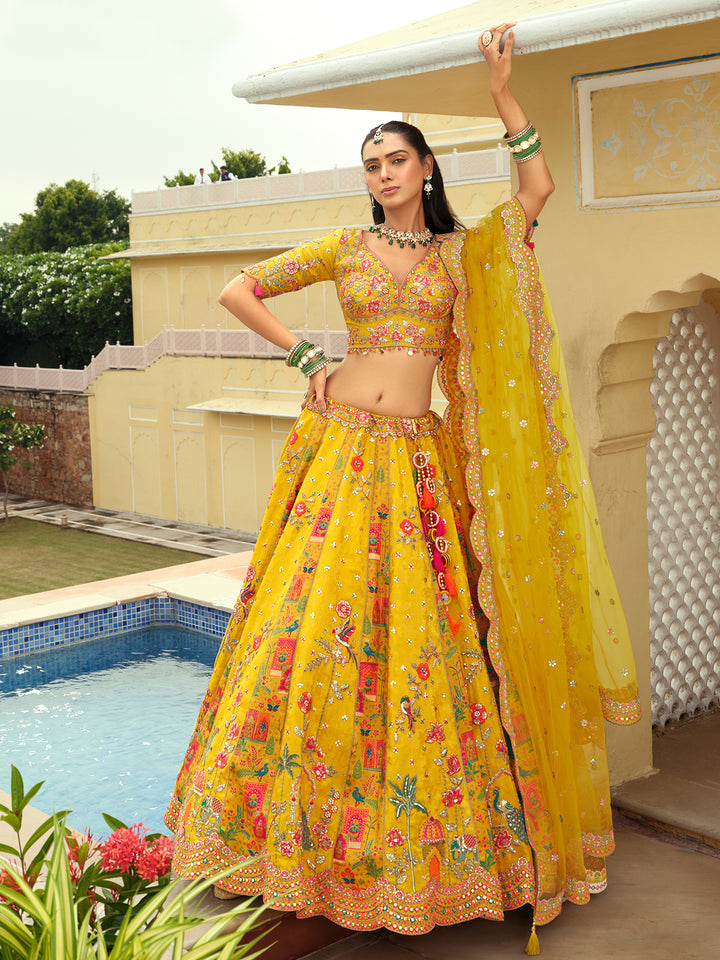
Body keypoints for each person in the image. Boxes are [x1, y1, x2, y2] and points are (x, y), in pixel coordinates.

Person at [165, 23, 640, 951]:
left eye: (394, 159)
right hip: (342, 449)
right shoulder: (345, 247)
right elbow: (241, 287)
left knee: (419, 641)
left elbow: (535, 190)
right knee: (309, 632)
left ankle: (418, 850)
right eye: (371, 162)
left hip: (418, 458)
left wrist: (504, 92)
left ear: (425, 167)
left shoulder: (465, 258)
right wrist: (304, 351)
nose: (381, 173)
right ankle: (289, 846)